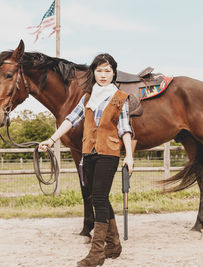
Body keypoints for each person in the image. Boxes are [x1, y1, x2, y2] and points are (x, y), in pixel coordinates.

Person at [39, 53, 133, 267]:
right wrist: (51, 140)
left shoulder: (120, 98)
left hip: (108, 153)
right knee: (98, 196)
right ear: (93, 72)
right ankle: (114, 244)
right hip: (88, 153)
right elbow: (71, 119)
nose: (103, 75)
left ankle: (97, 253)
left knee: (98, 198)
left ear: (114, 73)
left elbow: (125, 128)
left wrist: (129, 155)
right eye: (99, 70)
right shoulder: (87, 98)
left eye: (107, 70)